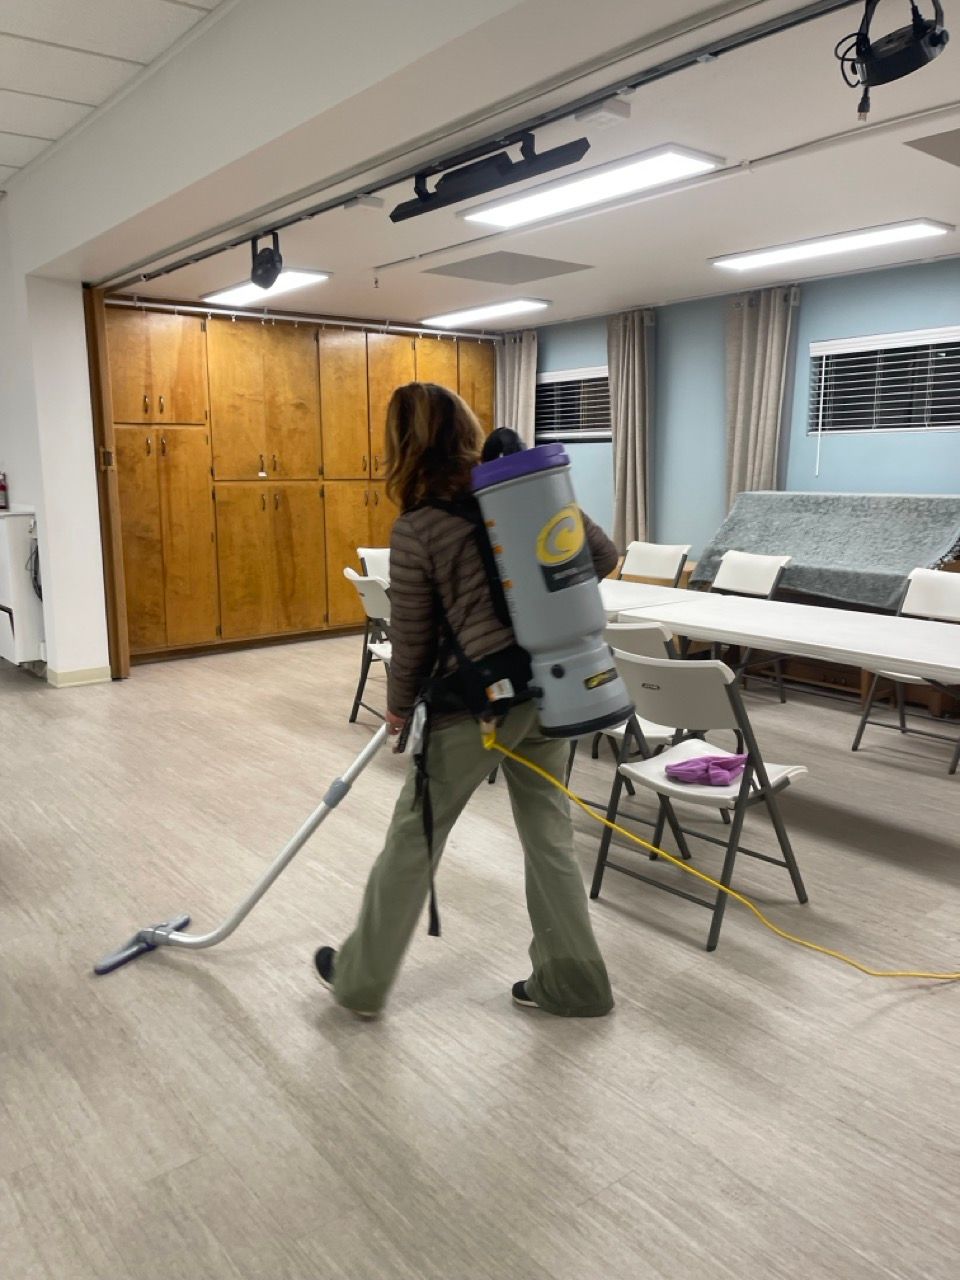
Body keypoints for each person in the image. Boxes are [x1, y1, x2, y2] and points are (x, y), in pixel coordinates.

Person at [314, 383, 617, 1019]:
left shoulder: (418, 526)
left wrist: (397, 708)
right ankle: (576, 984)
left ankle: (361, 981)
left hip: (474, 708)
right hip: (551, 687)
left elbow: (414, 635)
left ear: (403, 444)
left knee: (415, 836)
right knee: (549, 837)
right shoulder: (524, 495)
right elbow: (600, 554)